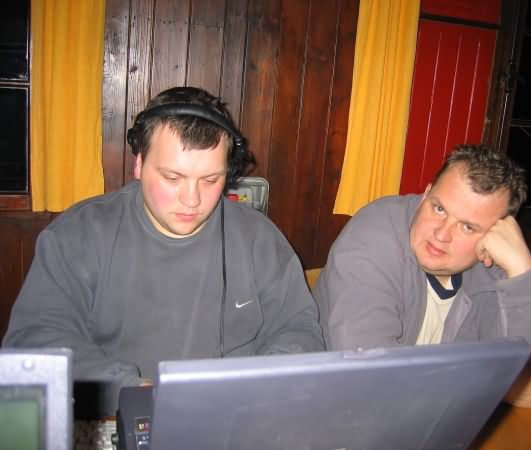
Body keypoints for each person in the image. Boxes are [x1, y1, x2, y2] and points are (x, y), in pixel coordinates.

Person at [3, 86, 324, 413]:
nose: (192, 199)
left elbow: (300, 331)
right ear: (139, 163)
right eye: (172, 177)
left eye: (210, 180)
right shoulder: (78, 235)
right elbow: (36, 342)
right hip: (118, 415)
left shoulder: (259, 239)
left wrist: (253, 388)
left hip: (236, 413)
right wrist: (132, 393)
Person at [314, 144, 531, 408]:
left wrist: (522, 272)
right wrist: (495, 386)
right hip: (332, 406)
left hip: (433, 416)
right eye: (439, 209)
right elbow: (367, 373)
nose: (441, 234)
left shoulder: (497, 263)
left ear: (493, 238)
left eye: (467, 227)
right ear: (425, 195)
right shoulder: (374, 234)